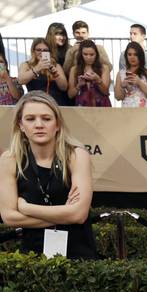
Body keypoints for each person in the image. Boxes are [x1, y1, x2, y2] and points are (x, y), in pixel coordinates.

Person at [0, 92, 97, 260]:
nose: (39, 125)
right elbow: (9, 217)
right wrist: (65, 215)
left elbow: (79, 215)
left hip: (79, 256)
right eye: (30, 119)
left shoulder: (76, 155)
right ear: (21, 125)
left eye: (46, 118)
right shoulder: (10, 159)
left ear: (57, 124)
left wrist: (26, 209)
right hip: (31, 258)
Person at [18, 38, 69, 106]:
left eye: (45, 50)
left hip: (55, 103)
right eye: (38, 50)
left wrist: (56, 75)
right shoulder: (26, 65)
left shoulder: (56, 66)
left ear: (49, 52)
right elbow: (21, 80)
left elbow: (64, 87)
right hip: (34, 103)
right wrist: (37, 68)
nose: (41, 52)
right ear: (33, 51)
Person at [67, 40, 111, 107]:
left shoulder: (104, 68)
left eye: (92, 54)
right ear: (81, 54)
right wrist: (78, 85)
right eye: (85, 54)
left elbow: (106, 92)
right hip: (83, 105)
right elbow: (70, 95)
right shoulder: (74, 69)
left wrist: (98, 80)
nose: (88, 57)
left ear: (96, 54)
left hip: (101, 104)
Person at [114, 42, 147, 107]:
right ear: (126, 56)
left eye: (135, 54)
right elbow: (118, 97)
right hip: (128, 110)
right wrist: (122, 86)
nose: (132, 57)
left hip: (146, 110)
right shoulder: (121, 74)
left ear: (140, 56)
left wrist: (139, 83)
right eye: (129, 54)